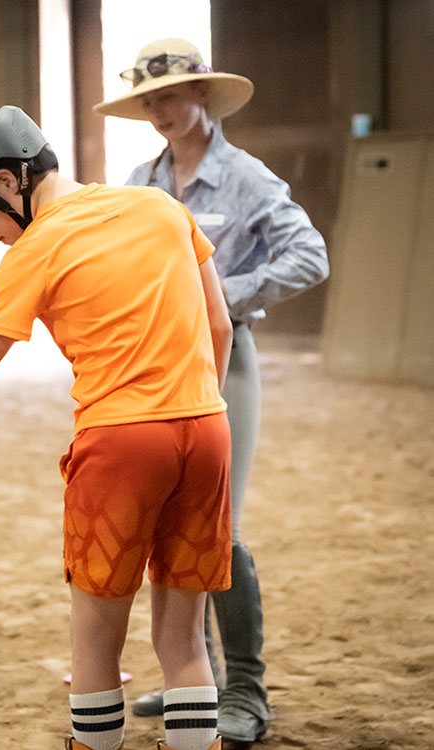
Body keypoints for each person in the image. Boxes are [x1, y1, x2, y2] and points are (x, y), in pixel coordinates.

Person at [0, 104, 235, 750]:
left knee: (94, 644)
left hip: (118, 444)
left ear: (8, 182)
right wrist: (187, 412)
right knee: (183, 642)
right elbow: (219, 327)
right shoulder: (161, 208)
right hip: (207, 430)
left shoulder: (32, 252)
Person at [93, 38, 330, 744]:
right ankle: (197, 679)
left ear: (203, 98)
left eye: (169, 96)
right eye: (149, 101)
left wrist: (220, 294)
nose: (159, 111)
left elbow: (309, 256)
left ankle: (247, 689)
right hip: (158, 369)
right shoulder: (140, 181)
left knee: (219, 529)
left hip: (229, 364)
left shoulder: (247, 180)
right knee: (172, 526)